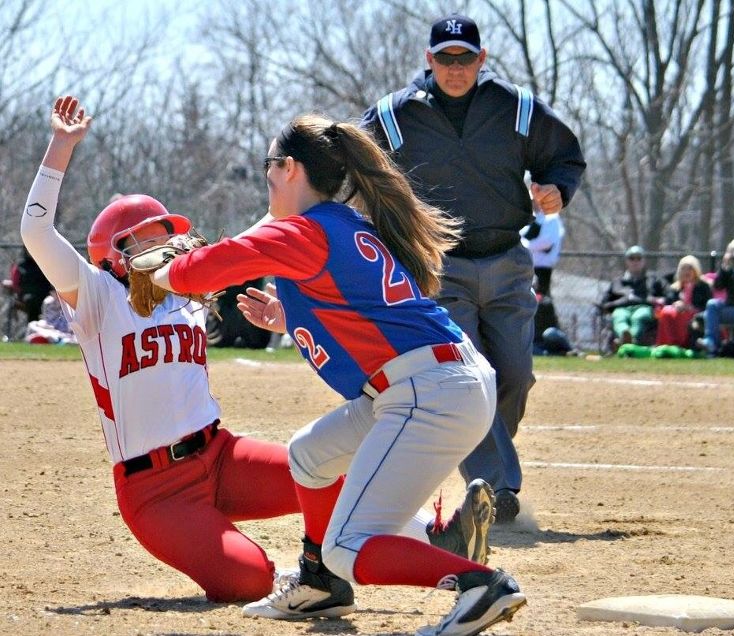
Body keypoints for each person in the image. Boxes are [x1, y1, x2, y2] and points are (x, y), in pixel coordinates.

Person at [19, 96, 488, 607]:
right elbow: (35, 232)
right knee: (249, 580)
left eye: (169, 239)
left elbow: (312, 281)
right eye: (144, 244)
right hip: (157, 489)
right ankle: (305, 566)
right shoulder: (95, 297)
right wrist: (61, 146)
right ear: (110, 255)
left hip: (220, 455)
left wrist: (291, 317)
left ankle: (432, 537)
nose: (167, 251)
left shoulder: (185, 291)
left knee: (323, 467)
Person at [145, 114, 527, 634]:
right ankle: (321, 585)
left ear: (290, 169)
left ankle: (480, 584)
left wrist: (162, 273)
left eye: (269, 166)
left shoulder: (307, 230)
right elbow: (360, 312)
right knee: (310, 455)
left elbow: (208, 268)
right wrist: (290, 317)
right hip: (432, 381)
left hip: (428, 391)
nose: (266, 178)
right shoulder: (338, 224)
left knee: (351, 545)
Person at [360, 13, 586, 523]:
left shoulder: (518, 109)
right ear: (429, 59)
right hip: (438, 268)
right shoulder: (393, 117)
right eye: (445, 58)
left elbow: (565, 156)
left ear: (481, 60)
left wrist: (557, 188)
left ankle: (482, 463)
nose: (455, 67)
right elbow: (350, 166)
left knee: (515, 377)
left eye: (465, 58)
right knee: (471, 375)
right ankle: (497, 487)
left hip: (509, 261)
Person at [600, 245, 666, 347]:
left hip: (644, 308)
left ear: (644, 261)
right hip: (622, 308)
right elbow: (605, 300)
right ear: (627, 261)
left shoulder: (653, 279)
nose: (635, 261)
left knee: (638, 317)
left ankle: (627, 340)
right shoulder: (618, 282)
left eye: (639, 258)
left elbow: (668, 293)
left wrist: (660, 300)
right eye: (631, 258)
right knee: (619, 317)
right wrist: (608, 306)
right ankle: (625, 336)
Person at [654, 255, 712, 349]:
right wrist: (676, 305)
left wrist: (689, 308)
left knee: (681, 315)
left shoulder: (703, 287)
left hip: (696, 317)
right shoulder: (674, 288)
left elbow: (707, 307)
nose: (686, 271)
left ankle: (682, 344)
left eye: (690, 268)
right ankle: (666, 344)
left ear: (696, 270)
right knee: (666, 312)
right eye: (683, 268)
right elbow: (668, 302)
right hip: (675, 314)